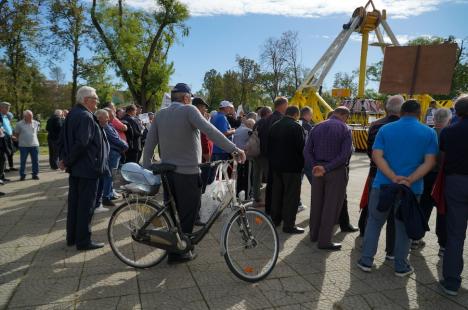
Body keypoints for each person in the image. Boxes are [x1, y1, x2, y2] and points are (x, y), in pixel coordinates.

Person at [142, 83, 246, 264]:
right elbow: (211, 131)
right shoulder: (189, 110)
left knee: (172, 213)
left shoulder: (160, 114)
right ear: (186, 98)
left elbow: (150, 142)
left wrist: (148, 165)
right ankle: (182, 252)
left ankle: (174, 248)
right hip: (187, 172)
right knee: (188, 214)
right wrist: (234, 149)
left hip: (167, 172)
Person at [358, 99, 438, 276]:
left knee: (374, 222)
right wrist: (409, 180)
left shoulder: (385, 129)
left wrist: (393, 177)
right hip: (411, 188)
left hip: (383, 185)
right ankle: (401, 266)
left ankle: (366, 261)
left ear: (401, 112)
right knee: (403, 227)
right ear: (419, 113)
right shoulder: (429, 132)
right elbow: (430, 162)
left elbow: (377, 156)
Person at [60, 86, 108, 251]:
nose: (97, 102)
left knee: (75, 204)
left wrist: (64, 160)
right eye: (95, 99)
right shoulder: (85, 116)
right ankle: (83, 241)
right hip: (88, 169)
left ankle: (72, 237)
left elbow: (63, 139)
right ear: (87, 100)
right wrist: (66, 160)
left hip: (77, 168)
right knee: (86, 206)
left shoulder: (73, 113)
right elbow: (82, 143)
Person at [358, 95, 404, 260]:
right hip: (399, 178)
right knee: (394, 217)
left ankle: (366, 246)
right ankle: (391, 251)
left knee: (373, 214)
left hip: (375, 173)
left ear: (386, 109)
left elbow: (371, 152)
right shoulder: (403, 127)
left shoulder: (375, 125)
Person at [304, 106, 352, 250]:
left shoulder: (316, 127)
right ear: (344, 116)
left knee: (316, 203)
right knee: (331, 207)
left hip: (317, 170)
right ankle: (324, 241)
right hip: (335, 172)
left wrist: (316, 166)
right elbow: (344, 155)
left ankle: (314, 235)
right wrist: (327, 168)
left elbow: (306, 151)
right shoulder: (345, 129)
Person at [439, 95, 468, 296]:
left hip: (456, 182)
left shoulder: (449, 131)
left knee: (456, 234)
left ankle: (451, 282)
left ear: (456, 111)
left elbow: (442, 158)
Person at [419, 108, 451, 255]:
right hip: (443, 177)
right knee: (443, 210)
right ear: (449, 119)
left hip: (426, 175)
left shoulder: (426, 132)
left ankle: (416, 237)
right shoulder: (450, 133)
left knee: (423, 207)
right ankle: (443, 245)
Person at [268, 106, 305, 234]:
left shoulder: (275, 125)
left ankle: (275, 220)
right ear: (296, 115)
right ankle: (289, 225)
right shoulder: (296, 127)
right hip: (292, 167)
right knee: (291, 196)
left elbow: (268, 146)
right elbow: (302, 147)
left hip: (276, 166)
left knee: (277, 193)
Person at [257, 97, 288, 215]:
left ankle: (269, 209)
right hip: (277, 158)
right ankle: (276, 211)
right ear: (283, 105)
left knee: (270, 184)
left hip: (267, 156)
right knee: (277, 186)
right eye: (287, 105)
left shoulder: (266, 119)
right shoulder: (280, 119)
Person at [101, 108, 128, 207]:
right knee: (109, 175)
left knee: (112, 175)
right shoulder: (107, 127)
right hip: (112, 153)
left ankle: (110, 193)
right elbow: (116, 140)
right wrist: (125, 146)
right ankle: (106, 197)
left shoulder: (110, 125)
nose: (113, 116)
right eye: (111, 115)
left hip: (115, 153)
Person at [251, 106, 272, 207]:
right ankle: (269, 200)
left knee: (256, 175)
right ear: (268, 113)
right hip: (264, 154)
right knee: (269, 177)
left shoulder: (256, 123)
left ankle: (256, 197)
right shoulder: (268, 123)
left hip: (255, 153)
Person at [14, 110, 41, 181]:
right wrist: (16, 139)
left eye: (31, 116)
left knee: (35, 161)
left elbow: (36, 132)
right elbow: (16, 134)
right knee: (23, 161)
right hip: (23, 146)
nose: (31, 118)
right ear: (24, 116)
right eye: (29, 116)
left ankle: (35, 174)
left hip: (34, 145)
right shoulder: (19, 124)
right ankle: (22, 175)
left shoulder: (36, 123)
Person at [233, 118, 255, 196]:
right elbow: (253, 144)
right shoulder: (249, 131)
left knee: (238, 176)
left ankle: (237, 193)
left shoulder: (238, 129)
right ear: (249, 125)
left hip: (236, 155)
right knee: (248, 177)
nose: (253, 128)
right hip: (246, 156)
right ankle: (247, 195)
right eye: (253, 126)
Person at [0, 102, 13, 184]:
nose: (8, 110)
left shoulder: (6, 116)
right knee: (2, 159)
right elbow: (2, 129)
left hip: (6, 139)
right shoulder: (0, 116)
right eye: (7, 108)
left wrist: (11, 135)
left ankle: (2, 176)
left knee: (3, 159)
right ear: (1, 108)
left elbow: (7, 127)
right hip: (2, 140)